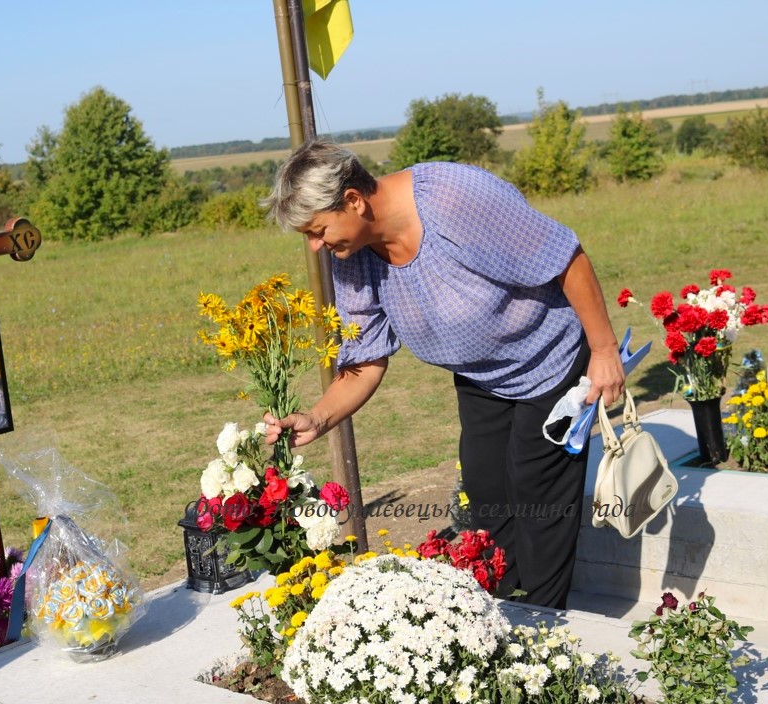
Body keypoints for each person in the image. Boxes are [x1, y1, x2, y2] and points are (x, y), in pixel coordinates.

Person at [260, 140, 625, 609]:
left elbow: (565, 257)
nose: (315, 245)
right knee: (486, 493)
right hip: (480, 377)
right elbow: (365, 360)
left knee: (538, 492)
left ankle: (545, 625)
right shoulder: (353, 257)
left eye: (317, 230)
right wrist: (317, 417)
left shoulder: (454, 198)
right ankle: (506, 612)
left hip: (548, 358)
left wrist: (603, 350)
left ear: (353, 200)